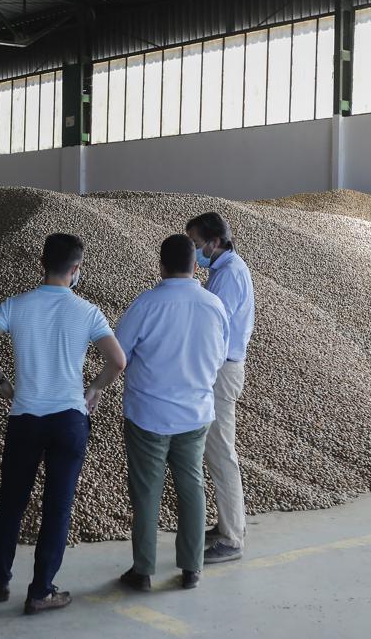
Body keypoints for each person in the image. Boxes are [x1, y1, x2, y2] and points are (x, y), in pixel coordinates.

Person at [0, 233, 126, 615]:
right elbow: (118, 361)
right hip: (69, 420)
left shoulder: (16, 306)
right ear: (75, 269)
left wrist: (2, 383)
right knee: (58, 505)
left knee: (12, 502)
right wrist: (96, 388)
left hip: (26, 417)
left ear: (43, 264)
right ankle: (41, 590)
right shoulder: (88, 311)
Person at [114, 235, 229, 592]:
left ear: (160, 266)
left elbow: (118, 354)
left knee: (147, 491)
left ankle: (143, 571)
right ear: (196, 266)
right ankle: (192, 567)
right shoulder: (214, 305)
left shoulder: (146, 304)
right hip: (196, 413)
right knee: (191, 486)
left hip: (148, 413)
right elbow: (222, 356)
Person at [185, 212, 255, 564]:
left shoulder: (228, 275)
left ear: (214, 242)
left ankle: (231, 538)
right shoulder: (224, 270)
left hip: (221, 371)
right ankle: (229, 524)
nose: (195, 252)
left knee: (221, 451)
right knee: (216, 450)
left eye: (197, 245)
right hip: (223, 368)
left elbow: (216, 330)